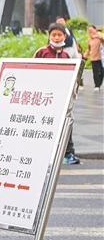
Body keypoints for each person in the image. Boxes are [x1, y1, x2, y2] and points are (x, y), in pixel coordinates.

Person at [34, 23, 80, 165]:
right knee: (45, 125)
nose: (57, 37)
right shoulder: (41, 52)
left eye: (59, 35)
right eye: (54, 34)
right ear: (49, 36)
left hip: (62, 98)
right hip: (44, 98)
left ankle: (68, 153)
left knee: (67, 123)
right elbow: (32, 71)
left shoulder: (66, 55)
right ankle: (43, 153)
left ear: (65, 36)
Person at [56, 16, 84, 88]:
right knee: (68, 64)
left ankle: (80, 81)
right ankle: (68, 82)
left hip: (73, 48)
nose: (61, 22)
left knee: (78, 64)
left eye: (62, 21)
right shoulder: (56, 31)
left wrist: (77, 45)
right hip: (65, 49)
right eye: (59, 21)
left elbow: (73, 38)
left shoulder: (68, 29)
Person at [83, 25, 104, 91]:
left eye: (91, 30)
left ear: (95, 29)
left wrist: (97, 36)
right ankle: (97, 85)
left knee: (102, 72)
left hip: (101, 58)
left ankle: (99, 84)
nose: (90, 31)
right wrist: (84, 56)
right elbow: (88, 49)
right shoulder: (89, 39)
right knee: (95, 72)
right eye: (89, 31)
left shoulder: (100, 35)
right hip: (94, 58)